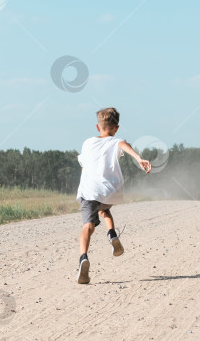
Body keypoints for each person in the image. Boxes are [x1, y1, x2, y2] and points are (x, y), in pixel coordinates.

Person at [76, 107, 151, 284]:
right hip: (109, 191)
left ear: (97, 127)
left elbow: (83, 165)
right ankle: (112, 234)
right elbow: (123, 145)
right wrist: (139, 158)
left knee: (88, 225)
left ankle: (83, 258)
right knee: (105, 211)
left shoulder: (87, 143)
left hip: (89, 190)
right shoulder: (116, 141)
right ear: (116, 128)